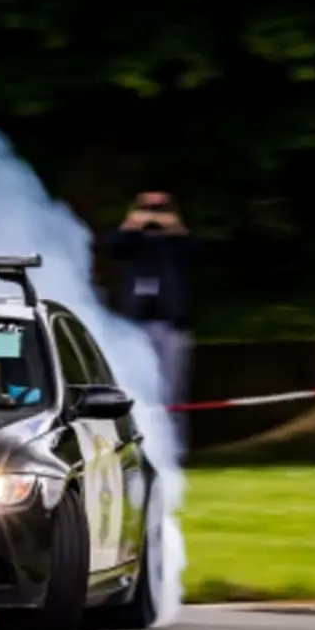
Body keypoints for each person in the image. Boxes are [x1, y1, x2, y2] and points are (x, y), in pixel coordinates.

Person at [104, 191, 198, 456]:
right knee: (133, 388)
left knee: (171, 391)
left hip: (170, 324)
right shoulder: (131, 242)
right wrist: (133, 223)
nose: (154, 214)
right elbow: (113, 247)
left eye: (161, 208)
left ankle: (173, 451)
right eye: (148, 207)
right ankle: (136, 448)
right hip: (134, 326)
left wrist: (174, 227)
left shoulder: (178, 244)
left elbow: (195, 252)